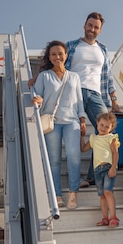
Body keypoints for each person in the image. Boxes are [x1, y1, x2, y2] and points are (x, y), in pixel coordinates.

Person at [65, 12, 121, 186]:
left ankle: (93, 175)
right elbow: (58, 67)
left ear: (100, 30)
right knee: (74, 134)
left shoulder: (103, 50)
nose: (92, 29)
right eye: (90, 25)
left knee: (105, 131)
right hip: (74, 92)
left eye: (96, 27)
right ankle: (75, 178)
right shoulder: (72, 45)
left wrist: (114, 99)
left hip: (97, 94)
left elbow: (108, 76)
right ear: (84, 25)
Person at [32, 40, 87, 210]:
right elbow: (38, 95)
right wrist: (38, 99)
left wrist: (82, 119)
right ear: (49, 57)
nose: (57, 57)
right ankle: (57, 194)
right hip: (52, 122)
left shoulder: (74, 76)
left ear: (66, 54)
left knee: (74, 157)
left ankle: (73, 193)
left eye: (60, 53)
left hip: (72, 122)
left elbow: (79, 101)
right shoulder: (44, 76)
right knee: (54, 161)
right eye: (53, 54)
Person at [80, 112, 121, 227]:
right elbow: (83, 149)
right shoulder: (93, 138)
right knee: (102, 195)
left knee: (108, 191)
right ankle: (105, 218)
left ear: (111, 128)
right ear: (97, 123)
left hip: (108, 168)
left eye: (107, 126)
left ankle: (113, 217)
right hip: (97, 170)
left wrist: (114, 167)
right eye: (101, 125)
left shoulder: (111, 137)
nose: (103, 128)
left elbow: (115, 153)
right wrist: (82, 136)